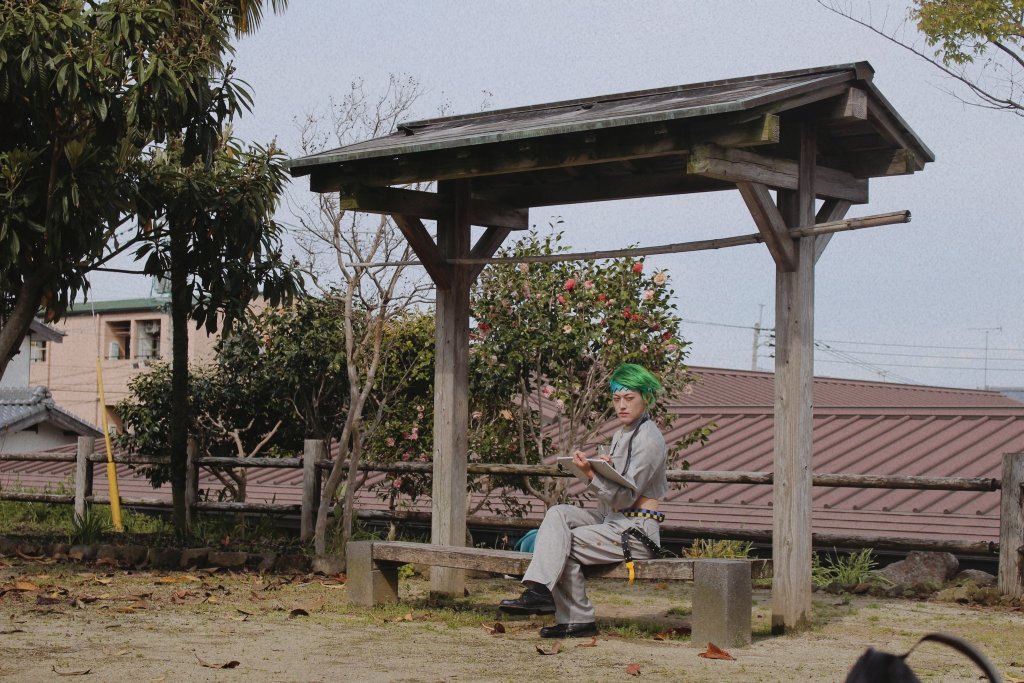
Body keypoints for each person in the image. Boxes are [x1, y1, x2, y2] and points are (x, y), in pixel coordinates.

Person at [498, 363, 669, 638]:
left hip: (636, 531)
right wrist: (603, 469)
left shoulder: (648, 439)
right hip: (612, 519)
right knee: (558, 513)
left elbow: (625, 497)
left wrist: (591, 475)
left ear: (646, 397)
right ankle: (542, 590)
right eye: (616, 398)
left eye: (629, 398)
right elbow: (616, 492)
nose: (622, 405)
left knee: (564, 542)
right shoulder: (621, 434)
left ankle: (575, 617)